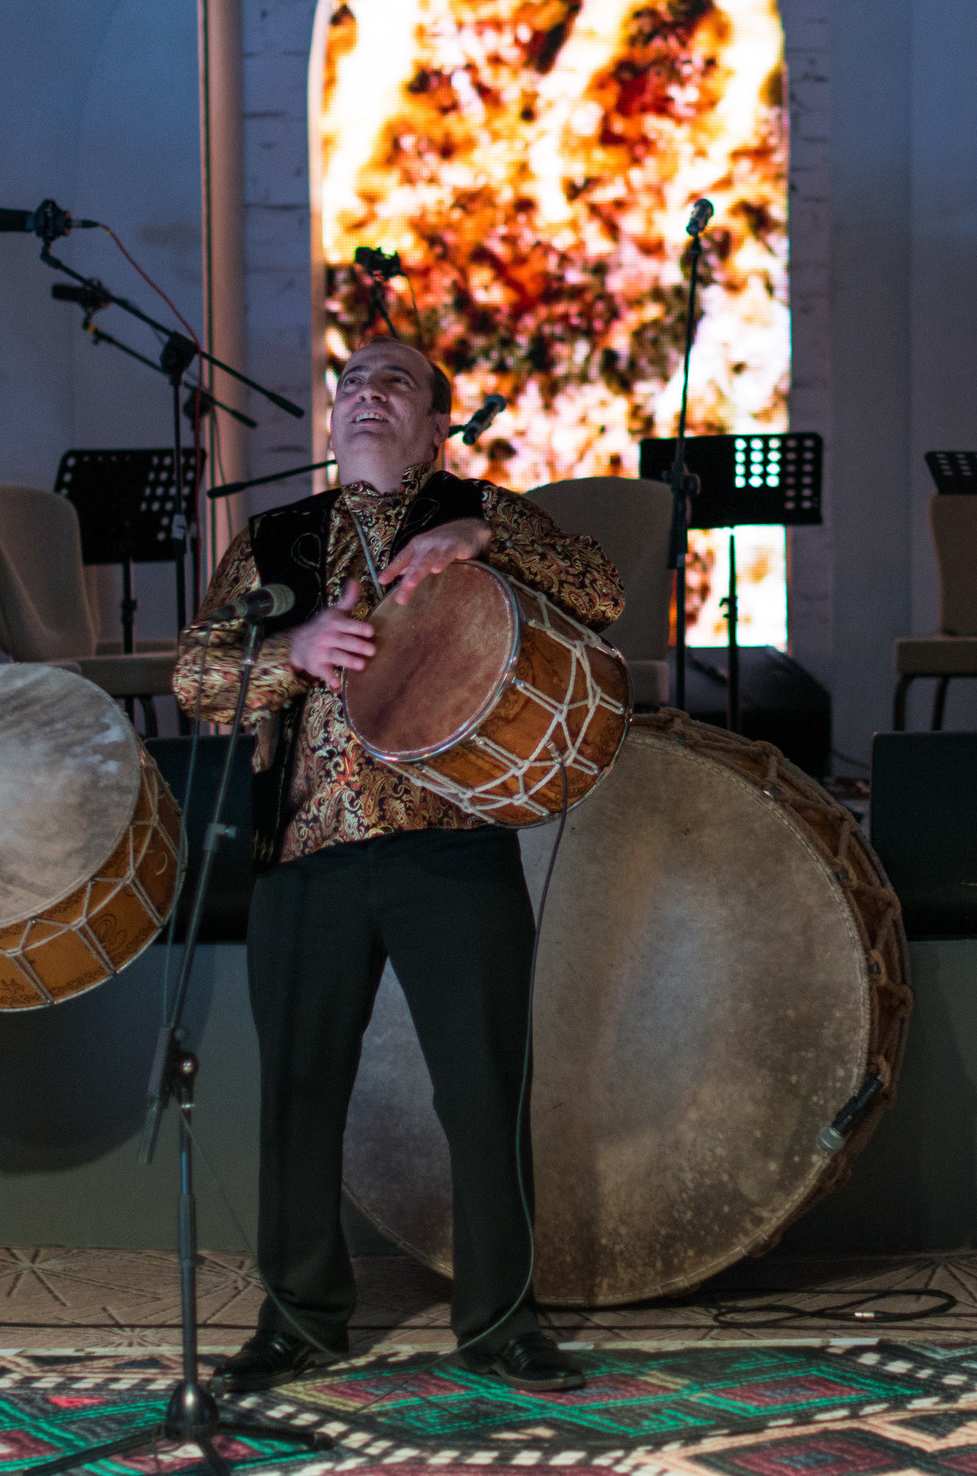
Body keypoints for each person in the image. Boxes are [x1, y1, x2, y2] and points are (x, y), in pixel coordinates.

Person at [174, 339, 622, 1396]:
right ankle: (297, 1318)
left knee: (483, 1089)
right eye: (351, 385)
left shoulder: (481, 516)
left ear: (433, 427)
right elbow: (195, 677)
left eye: (396, 386)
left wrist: (489, 530)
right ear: (331, 422)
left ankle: (502, 1320)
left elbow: (600, 590)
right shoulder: (274, 538)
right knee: (297, 1094)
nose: (367, 396)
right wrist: (286, 654)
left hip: (449, 846)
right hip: (304, 852)